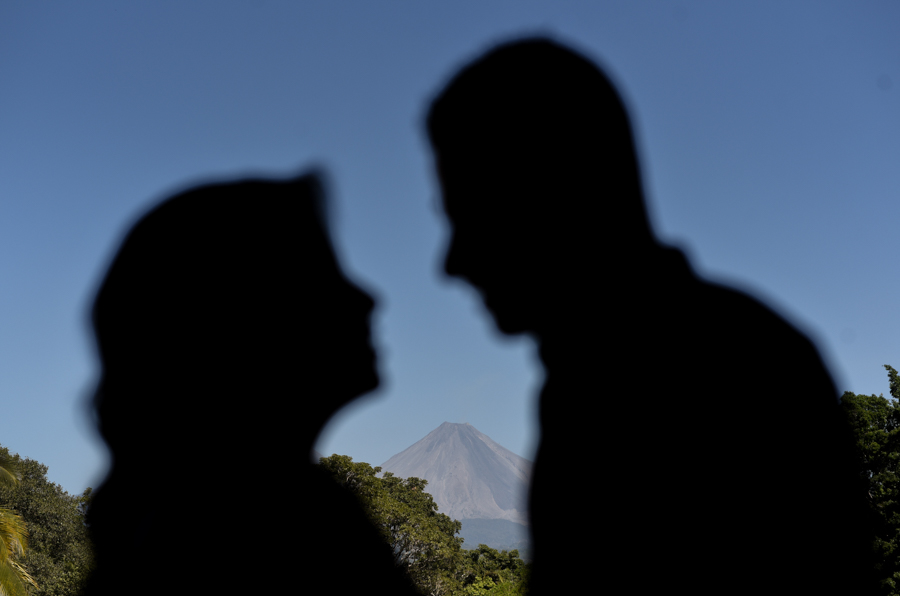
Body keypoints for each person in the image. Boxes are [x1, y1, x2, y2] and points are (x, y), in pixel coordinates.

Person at [426, 37, 875, 595]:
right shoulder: (607, 377)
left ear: (554, 192)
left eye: (471, 215)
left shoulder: (727, 371)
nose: (450, 263)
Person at [83, 172, 420, 595]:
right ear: (245, 320)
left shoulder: (206, 511)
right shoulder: (271, 523)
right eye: (320, 274)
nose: (367, 296)